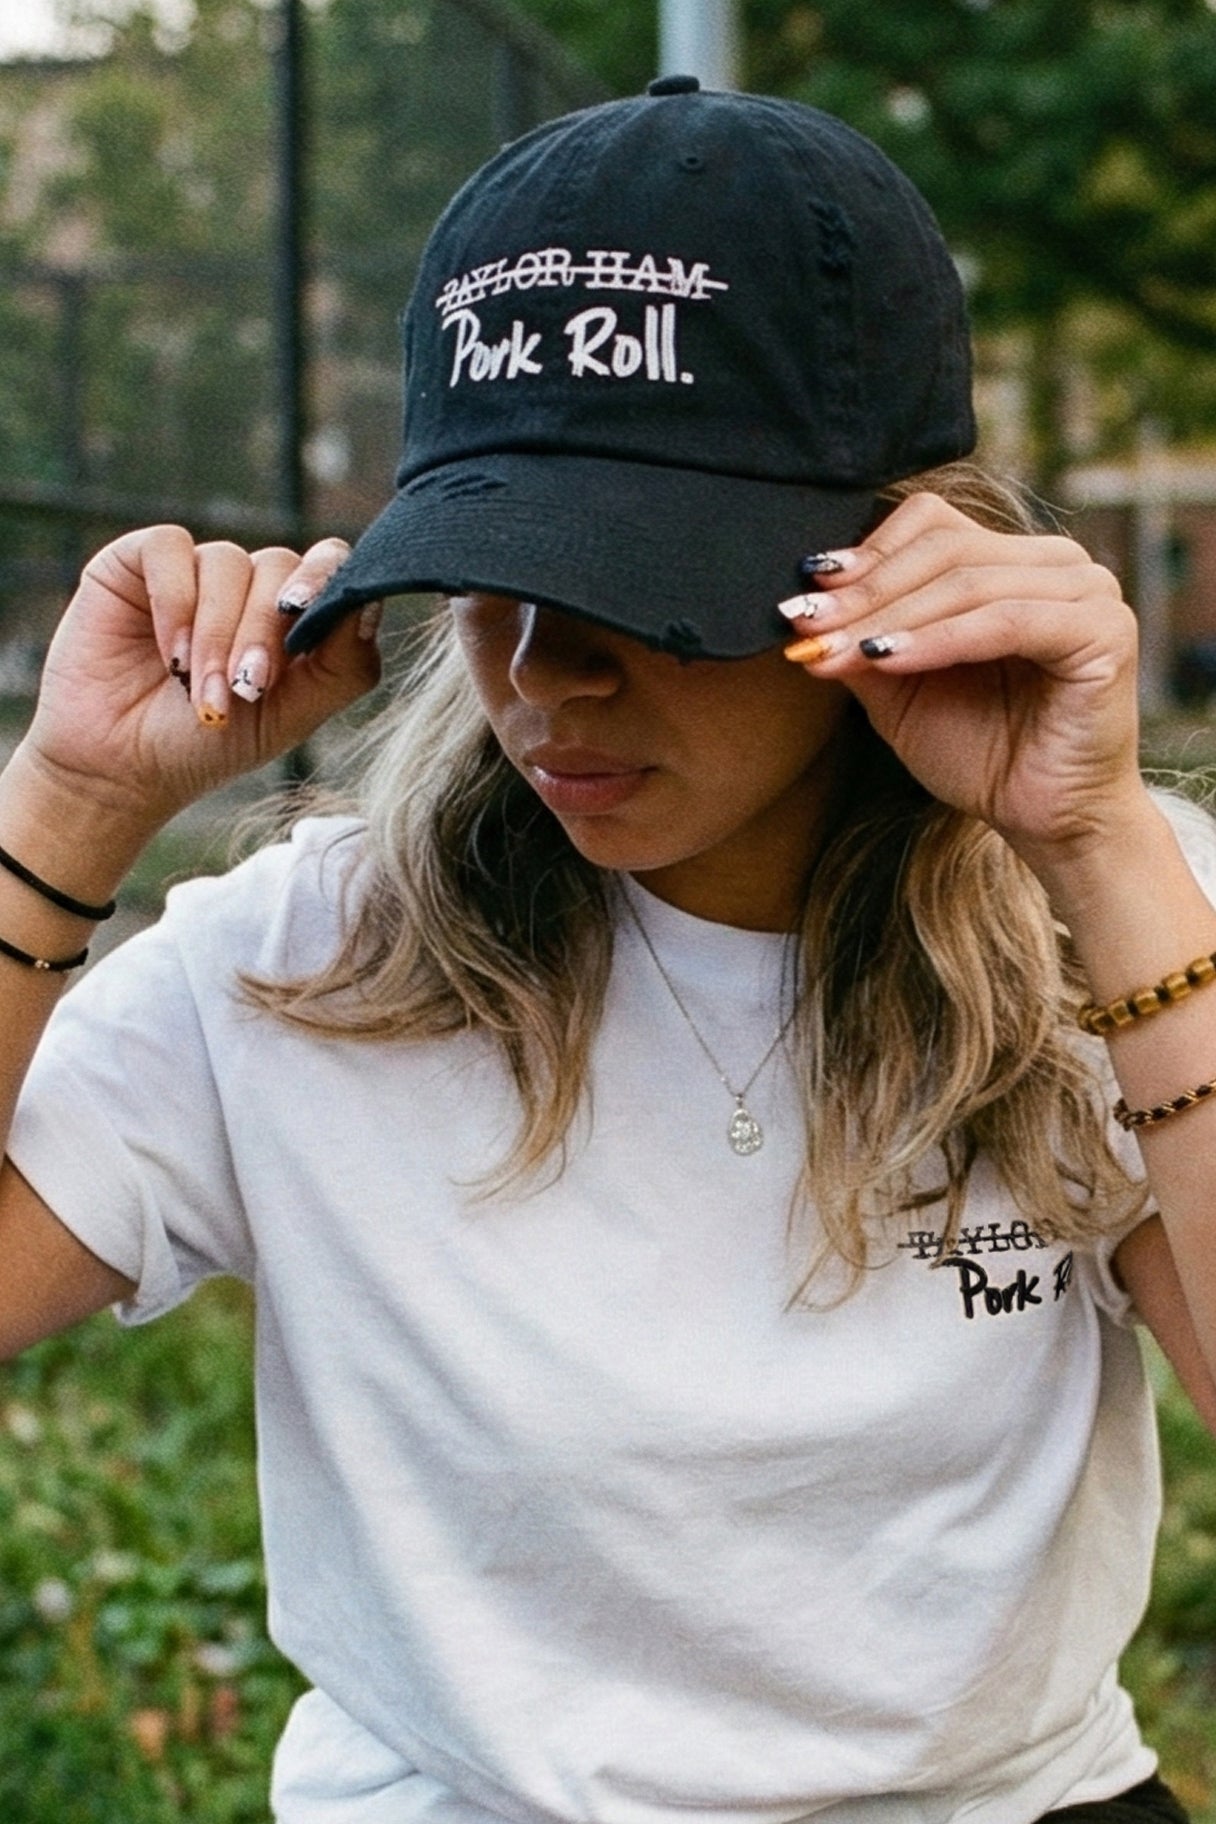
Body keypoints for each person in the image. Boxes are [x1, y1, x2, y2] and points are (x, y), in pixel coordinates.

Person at [0, 75, 1213, 1824]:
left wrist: (1099, 846)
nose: (548, 677)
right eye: (494, 579)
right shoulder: (307, 960)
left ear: (899, 563)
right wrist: (65, 808)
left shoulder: (1111, 916)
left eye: (651, 593)